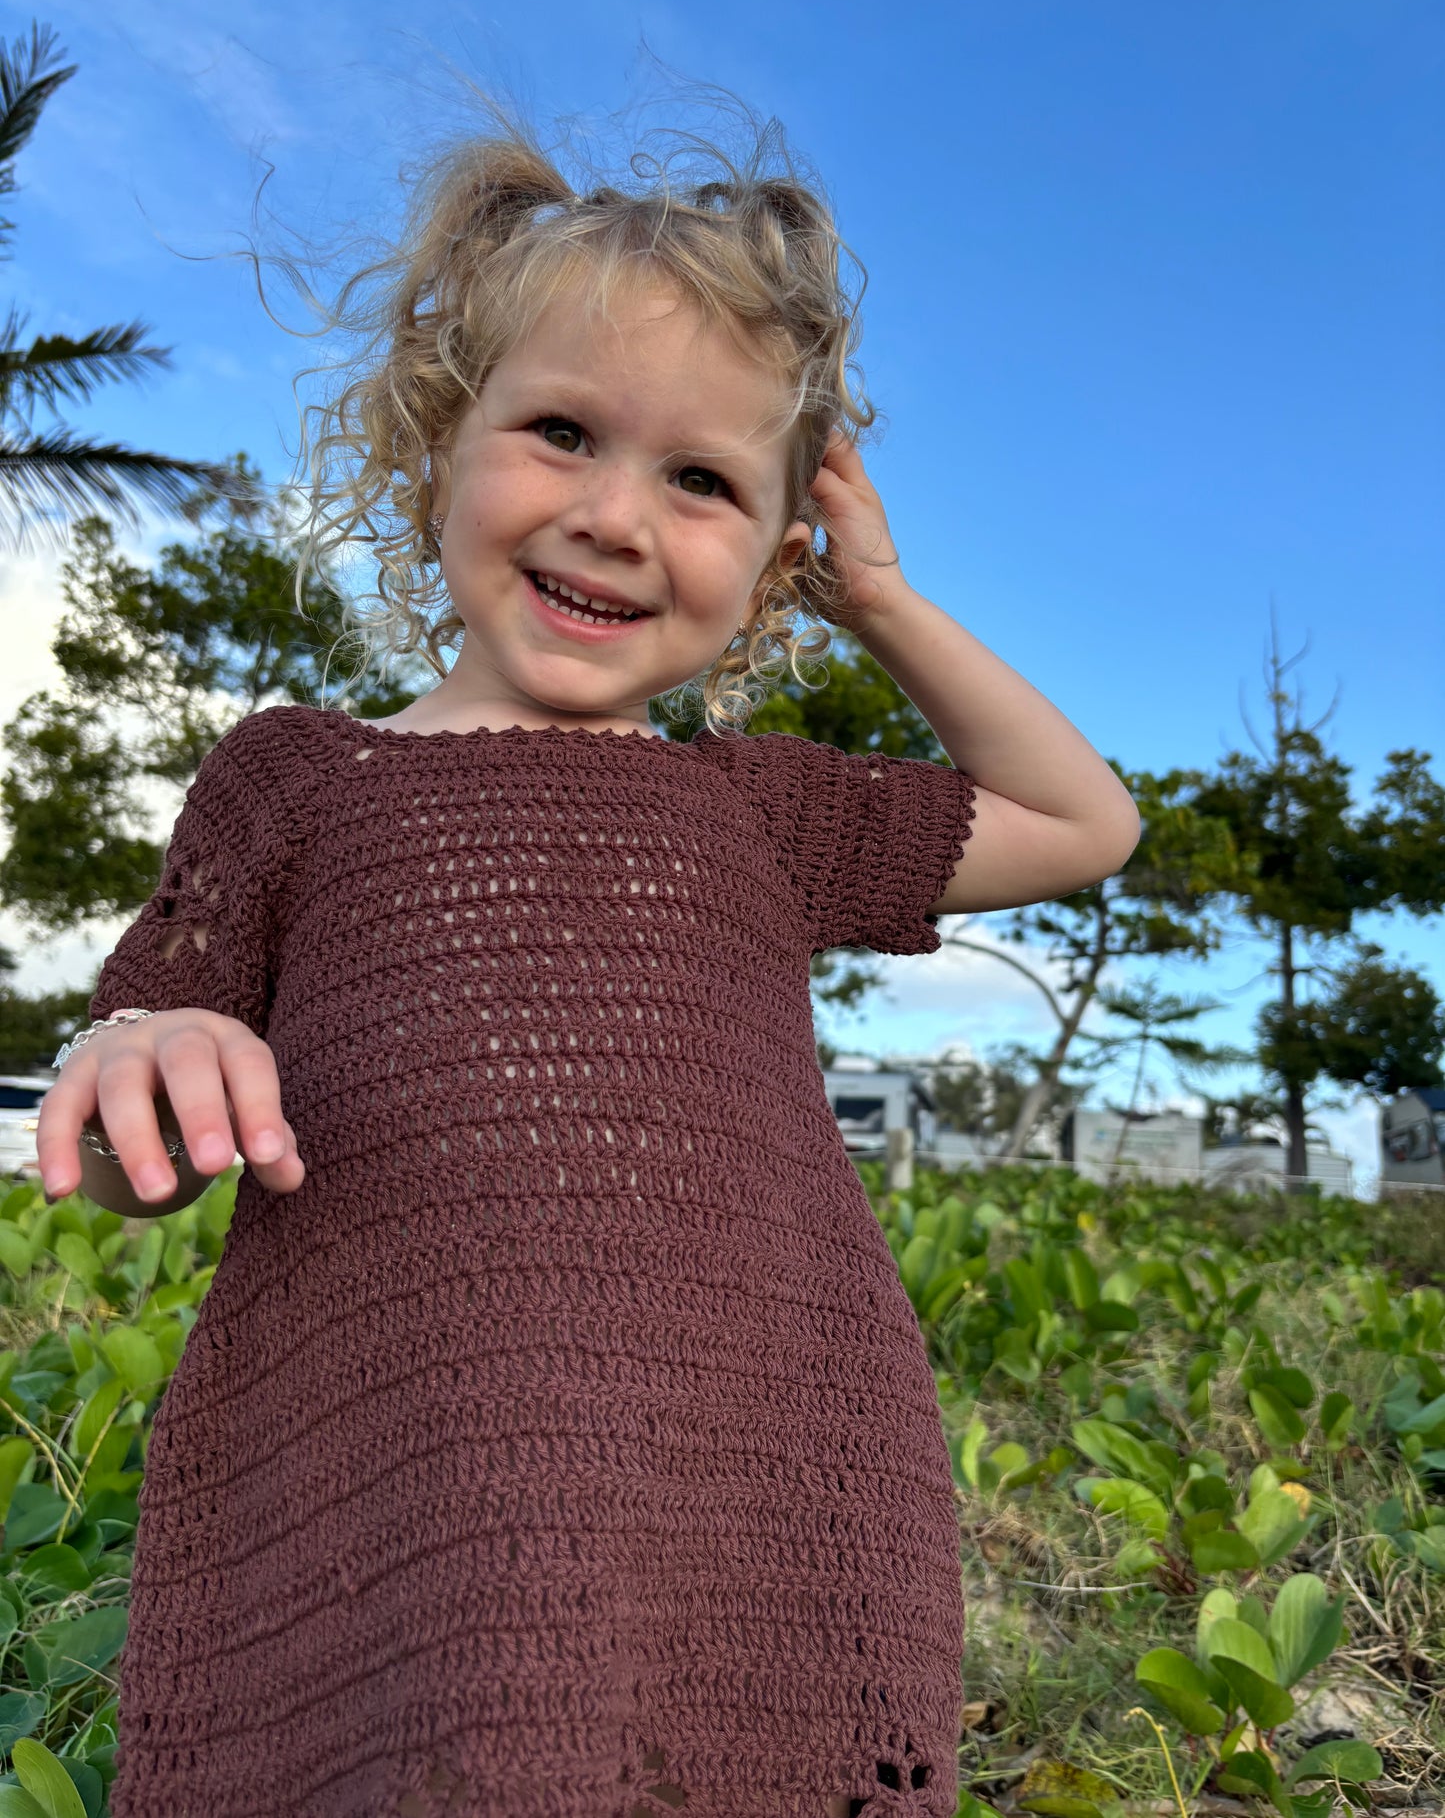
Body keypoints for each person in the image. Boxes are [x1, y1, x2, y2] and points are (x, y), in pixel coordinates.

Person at [37, 105, 1140, 1818]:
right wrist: (137, 1056)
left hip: (743, 1450)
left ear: (779, 560)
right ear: (432, 463)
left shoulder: (754, 809)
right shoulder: (294, 776)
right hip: (403, 1462)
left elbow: (1078, 821)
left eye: (702, 480)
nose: (618, 517)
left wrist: (889, 604)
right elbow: (137, 1146)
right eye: (560, 433)